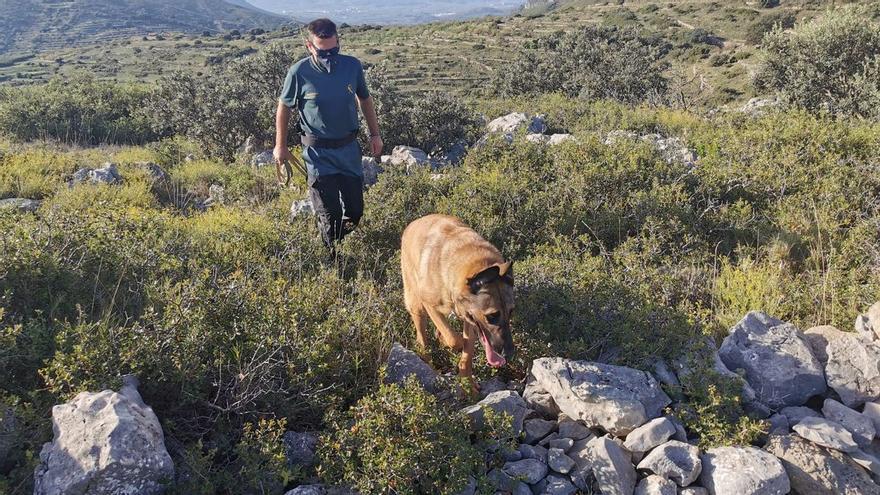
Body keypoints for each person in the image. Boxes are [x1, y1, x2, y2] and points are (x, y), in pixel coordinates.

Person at [274, 18, 382, 257]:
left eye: (334, 50)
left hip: (349, 151)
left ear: (339, 43)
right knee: (330, 215)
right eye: (323, 52)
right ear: (309, 46)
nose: (329, 56)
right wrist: (280, 146)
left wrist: (375, 134)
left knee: (355, 212)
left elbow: (365, 99)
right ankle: (334, 261)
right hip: (318, 155)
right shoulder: (299, 72)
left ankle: (337, 241)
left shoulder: (352, 66)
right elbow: (284, 107)